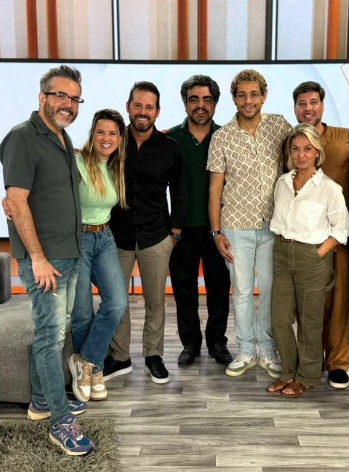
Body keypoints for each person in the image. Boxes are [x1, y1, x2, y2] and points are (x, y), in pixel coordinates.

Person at [0, 64, 94, 455]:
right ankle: (61, 422)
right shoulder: (23, 137)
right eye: (61, 96)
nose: (68, 104)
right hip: (46, 261)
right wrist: (37, 258)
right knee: (49, 338)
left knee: (58, 332)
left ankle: (41, 400)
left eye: (75, 99)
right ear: (42, 97)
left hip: (68, 254)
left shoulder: (62, 136)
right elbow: (16, 199)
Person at [207, 69, 292, 378]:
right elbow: (215, 189)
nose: (248, 100)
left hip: (273, 227)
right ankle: (246, 350)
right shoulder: (222, 137)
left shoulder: (280, 126)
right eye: (241, 95)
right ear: (234, 98)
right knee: (242, 292)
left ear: (263, 96)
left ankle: (268, 350)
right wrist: (216, 232)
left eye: (254, 94)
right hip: (235, 227)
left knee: (270, 291)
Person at [103, 81, 187, 384]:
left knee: (155, 302)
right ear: (128, 107)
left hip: (156, 236)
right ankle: (120, 357)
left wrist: (174, 232)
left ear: (157, 112)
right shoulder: (113, 142)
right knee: (117, 301)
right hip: (118, 236)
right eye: (137, 105)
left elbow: (180, 192)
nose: (142, 112)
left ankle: (154, 356)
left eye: (149, 107)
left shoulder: (170, 148)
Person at [267, 123, 349, 397]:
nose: (301, 154)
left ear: (317, 152)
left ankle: (307, 376)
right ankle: (288, 372)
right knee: (279, 319)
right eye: (296, 149)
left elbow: (341, 229)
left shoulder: (329, 188)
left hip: (312, 256)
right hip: (281, 252)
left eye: (307, 149)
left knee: (310, 321)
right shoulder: (282, 183)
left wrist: (319, 253)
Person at [292, 81, 349, 389]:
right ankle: (310, 358)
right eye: (302, 103)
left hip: (338, 238)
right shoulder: (291, 141)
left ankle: (337, 363)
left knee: (340, 302)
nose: (308, 108)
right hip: (302, 239)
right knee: (307, 304)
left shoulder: (347, 139)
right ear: (295, 108)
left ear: (322, 105)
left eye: (313, 102)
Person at [166, 75, 232, 367]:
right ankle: (190, 344)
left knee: (219, 289)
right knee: (184, 290)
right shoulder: (170, 139)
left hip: (218, 229)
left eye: (207, 99)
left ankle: (217, 342)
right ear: (185, 103)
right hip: (180, 230)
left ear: (215, 104)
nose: (200, 105)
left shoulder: (226, 137)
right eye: (194, 99)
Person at [67, 109, 129, 403]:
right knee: (82, 311)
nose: (106, 138)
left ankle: (86, 362)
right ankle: (94, 371)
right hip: (77, 238)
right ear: (92, 134)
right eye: (101, 132)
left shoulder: (115, 166)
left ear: (120, 138)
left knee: (116, 303)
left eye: (113, 133)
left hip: (104, 237)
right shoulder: (76, 162)